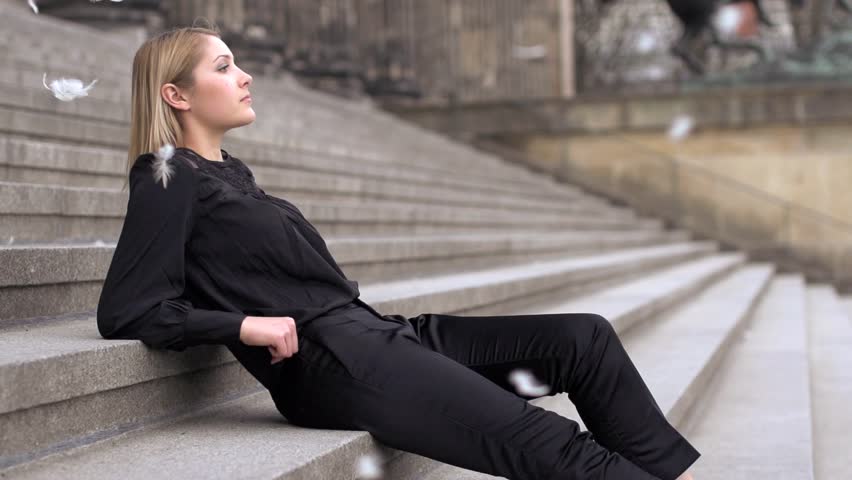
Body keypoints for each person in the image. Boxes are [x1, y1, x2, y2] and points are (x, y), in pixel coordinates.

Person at [96, 24, 701, 480]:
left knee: (583, 341)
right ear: (176, 95)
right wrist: (242, 325)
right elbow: (128, 309)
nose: (245, 76)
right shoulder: (164, 174)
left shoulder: (230, 171)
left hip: (378, 336)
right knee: (550, 443)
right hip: (336, 364)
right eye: (225, 67)